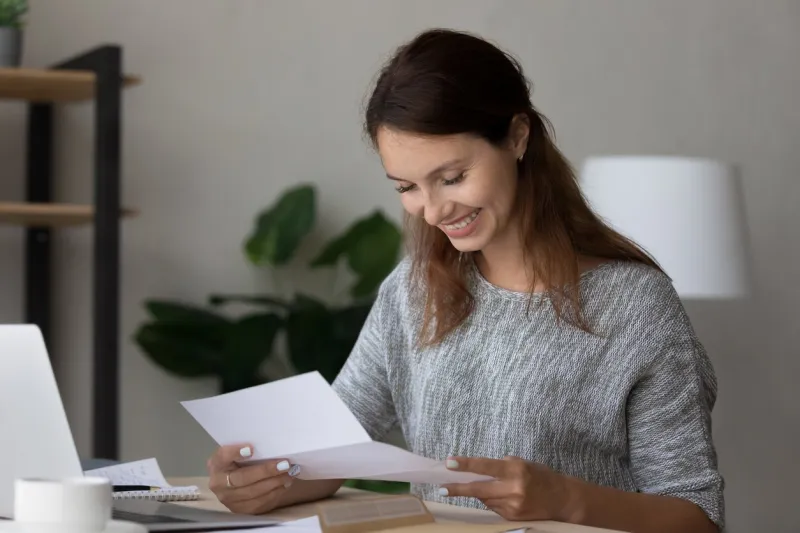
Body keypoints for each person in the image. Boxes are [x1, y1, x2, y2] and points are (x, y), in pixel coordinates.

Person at [205, 28, 724, 533]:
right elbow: (331, 455)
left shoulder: (634, 305)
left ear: (518, 137)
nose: (432, 211)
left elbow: (697, 517)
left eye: (452, 178)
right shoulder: (412, 291)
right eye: (407, 186)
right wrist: (263, 482)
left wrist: (566, 498)